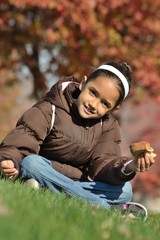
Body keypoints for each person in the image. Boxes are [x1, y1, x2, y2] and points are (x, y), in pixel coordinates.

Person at [0, 60, 156, 220]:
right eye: (93, 92)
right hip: (43, 170)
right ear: (83, 83)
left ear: (114, 108)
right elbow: (25, 136)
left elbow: (103, 164)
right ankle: (105, 208)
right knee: (30, 163)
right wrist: (8, 160)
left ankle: (45, 188)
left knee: (125, 191)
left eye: (104, 103)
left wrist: (131, 166)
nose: (93, 104)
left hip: (76, 181)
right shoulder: (50, 109)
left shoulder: (107, 126)